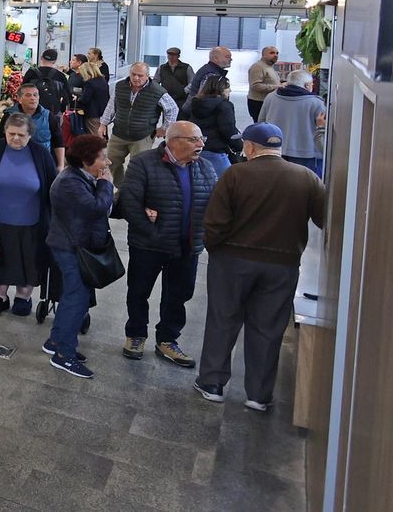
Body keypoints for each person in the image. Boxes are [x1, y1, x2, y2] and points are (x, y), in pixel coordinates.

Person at [195, 123, 327, 411]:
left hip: (232, 262)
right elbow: (324, 219)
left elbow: (215, 222)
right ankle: (258, 394)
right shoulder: (306, 177)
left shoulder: (235, 174)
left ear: (250, 147)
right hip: (282, 265)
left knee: (223, 319)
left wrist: (216, 249)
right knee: (268, 328)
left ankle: (213, 383)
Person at [116, 122, 217, 369]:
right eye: (194, 140)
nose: (201, 144)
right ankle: (136, 335)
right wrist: (151, 232)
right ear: (173, 140)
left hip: (187, 246)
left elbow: (214, 205)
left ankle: (168, 340)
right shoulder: (143, 163)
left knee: (179, 295)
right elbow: (130, 203)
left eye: (201, 139)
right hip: (148, 245)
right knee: (139, 291)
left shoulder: (205, 168)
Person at [46, 134, 115, 379]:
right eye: (102, 158)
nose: (107, 163)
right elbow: (96, 209)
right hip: (69, 246)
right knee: (77, 298)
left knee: (74, 296)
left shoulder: (81, 176)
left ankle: (55, 341)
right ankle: (64, 354)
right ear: (87, 160)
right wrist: (106, 184)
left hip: (74, 244)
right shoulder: (70, 182)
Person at [0, 113, 56, 318]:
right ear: (5, 132)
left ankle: (23, 297)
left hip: (32, 221)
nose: (15, 139)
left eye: (21, 135)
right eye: (11, 134)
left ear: (30, 135)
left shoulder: (41, 153)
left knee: (28, 259)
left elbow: (53, 185)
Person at [100, 62, 178, 183]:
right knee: (111, 162)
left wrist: (165, 128)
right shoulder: (120, 86)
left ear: (148, 76)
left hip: (142, 136)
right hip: (118, 133)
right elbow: (111, 105)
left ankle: (132, 191)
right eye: (133, 74)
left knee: (137, 167)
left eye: (140, 75)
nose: (136, 78)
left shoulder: (157, 91)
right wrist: (103, 124)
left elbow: (172, 109)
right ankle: (120, 188)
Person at [259, 70, 328, 177]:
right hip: (306, 155)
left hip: (276, 152)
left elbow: (261, 123)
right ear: (307, 85)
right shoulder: (316, 103)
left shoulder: (271, 97)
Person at [179, 75, 241, 175]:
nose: (230, 90)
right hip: (216, 151)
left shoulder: (196, 103)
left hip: (195, 150)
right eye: (227, 87)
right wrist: (239, 146)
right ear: (220, 89)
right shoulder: (224, 105)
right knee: (224, 185)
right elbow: (228, 130)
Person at [0, 83, 64, 167]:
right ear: (19, 99)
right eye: (28, 95)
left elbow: (59, 142)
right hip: (14, 162)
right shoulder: (9, 116)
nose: (33, 98)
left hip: (42, 163)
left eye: (35, 95)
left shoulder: (48, 116)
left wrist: (60, 166)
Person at [21, 49, 71, 118]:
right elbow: (67, 97)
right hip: (53, 113)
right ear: (54, 61)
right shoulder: (60, 76)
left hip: (32, 112)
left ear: (41, 58)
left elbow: (22, 91)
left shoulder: (31, 73)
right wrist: (60, 109)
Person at [73, 60, 110, 138]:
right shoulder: (102, 80)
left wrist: (78, 98)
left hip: (92, 113)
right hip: (103, 112)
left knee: (94, 136)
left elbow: (85, 99)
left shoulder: (90, 83)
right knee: (101, 134)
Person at [247, 46, 282, 124]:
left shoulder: (269, 66)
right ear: (264, 55)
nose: (275, 55)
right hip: (258, 103)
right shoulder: (258, 67)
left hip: (267, 102)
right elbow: (255, 86)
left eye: (277, 53)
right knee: (261, 127)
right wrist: (278, 87)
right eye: (272, 53)